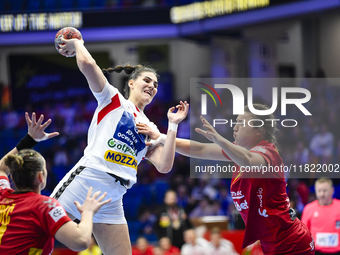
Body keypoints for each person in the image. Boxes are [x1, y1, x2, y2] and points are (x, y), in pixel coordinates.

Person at [52, 36, 189, 254]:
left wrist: (172, 126)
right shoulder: (113, 99)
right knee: (40, 233)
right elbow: (88, 65)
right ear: (131, 83)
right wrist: (77, 42)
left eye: (155, 84)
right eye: (147, 80)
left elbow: (164, 166)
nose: (152, 86)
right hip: (88, 179)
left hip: (114, 195)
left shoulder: (150, 126)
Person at [140, 104, 315, 254]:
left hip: (292, 242)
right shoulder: (237, 153)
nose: (235, 127)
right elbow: (200, 149)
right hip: (270, 244)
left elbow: (247, 160)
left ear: (258, 130)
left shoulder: (268, 154)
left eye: (240, 123)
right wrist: (161, 138)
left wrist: (219, 139)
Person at [0, 112, 111, 254]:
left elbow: (2, 167)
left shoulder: (2, 194)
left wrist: (29, 140)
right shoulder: (44, 206)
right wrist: (88, 212)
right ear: (41, 176)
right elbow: (81, 241)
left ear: (13, 177)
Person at [301, 178, 340, 255]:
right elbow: (304, 233)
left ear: (332, 190)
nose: (322, 194)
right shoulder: (309, 208)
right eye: (319, 191)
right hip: (316, 251)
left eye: (325, 190)